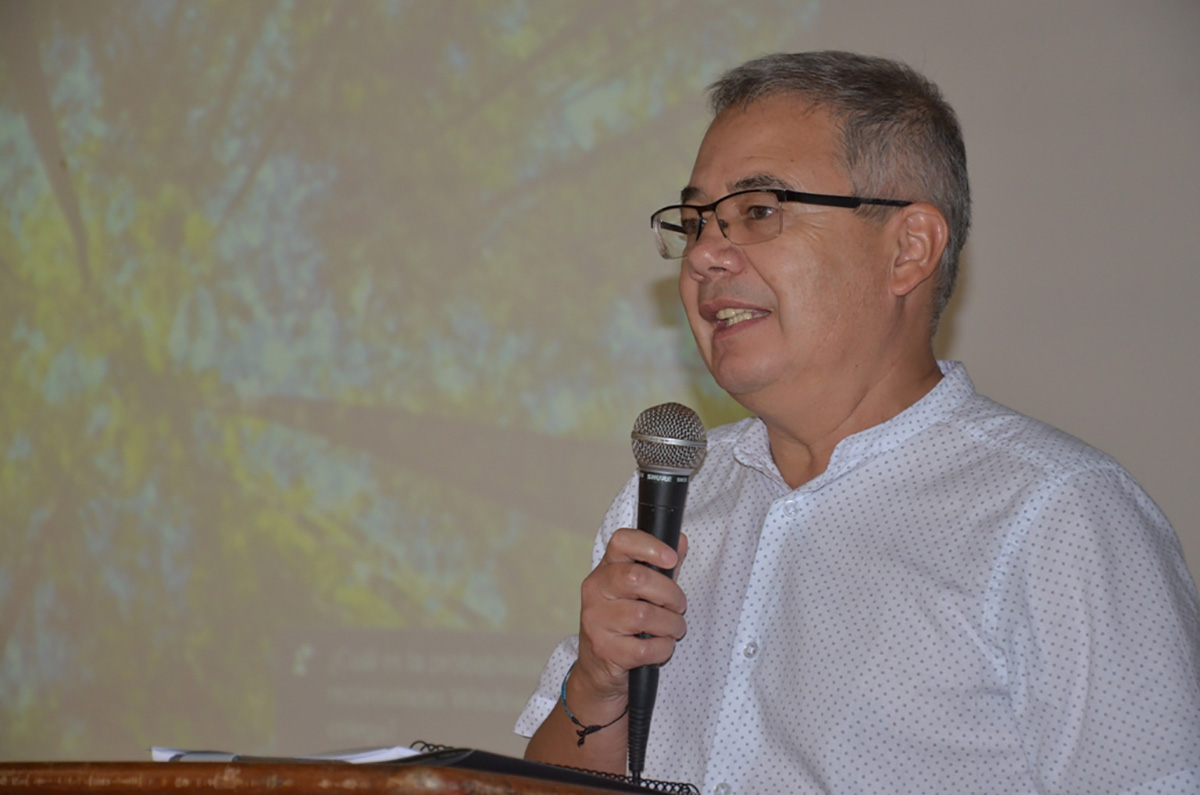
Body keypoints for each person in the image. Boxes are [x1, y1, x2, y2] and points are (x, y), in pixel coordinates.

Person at [515, 51, 1200, 794]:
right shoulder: (675, 496)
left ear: (908, 249)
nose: (706, 254)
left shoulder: (1057, 517)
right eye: (695, 220)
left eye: (759, 211)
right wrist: (595, 685)